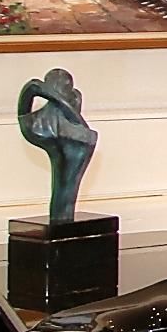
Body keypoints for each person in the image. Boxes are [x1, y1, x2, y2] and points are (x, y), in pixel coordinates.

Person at [16, 68, 98, 223]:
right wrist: (57, 98)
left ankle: (62, 219)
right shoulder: (37, 123)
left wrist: (54, 97)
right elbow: (31, 89)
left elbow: (32, 90)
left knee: (67, 189)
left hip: (73, 140)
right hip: (70, 137)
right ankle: (61, 219)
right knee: (65, 189)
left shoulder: (40, 123)